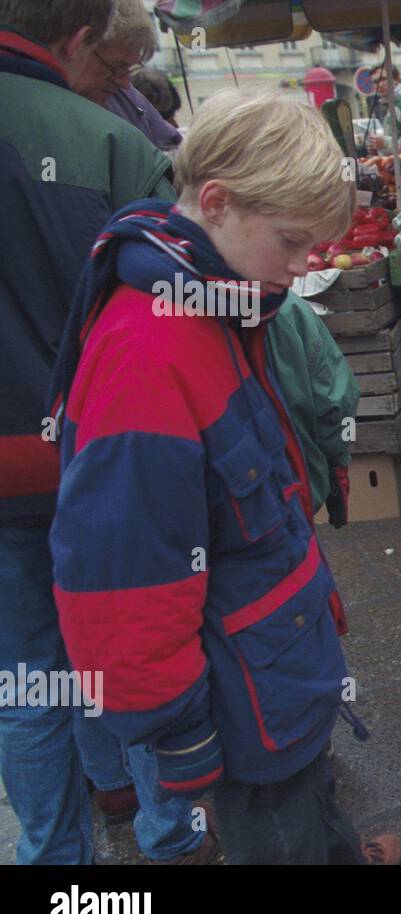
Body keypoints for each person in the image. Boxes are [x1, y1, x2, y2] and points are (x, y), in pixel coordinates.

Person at [47, 88, 401, 865]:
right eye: (292, 243)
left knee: (307, 810)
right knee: (280, 835)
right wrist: (182, 738)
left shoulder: (216, 301)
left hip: (269, 675)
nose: (306, 266)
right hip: (243, 703)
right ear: (215, 203)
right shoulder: (149, 352)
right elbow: (121, 581)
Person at [0, 0, 193, 866]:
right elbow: (178, 306)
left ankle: (53, 867)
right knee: (130, 649)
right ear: (78, 39)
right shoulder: (110, 145)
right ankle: (167, 834)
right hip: (103, 453)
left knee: (25, 682)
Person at [265, 294, 360, 523]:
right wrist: (338, 459)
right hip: (290, 483)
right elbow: (337, 401)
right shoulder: (286, 308)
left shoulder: (172, 307)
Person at [71, 0, 181, 152]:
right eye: (116, 67)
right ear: (76, 46)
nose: (124, 83)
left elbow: (174, 147)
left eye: (129, 68)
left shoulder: (129, 99)